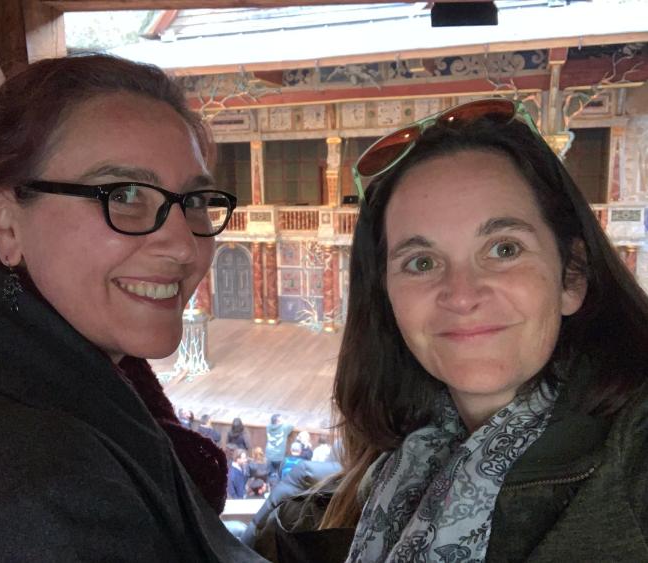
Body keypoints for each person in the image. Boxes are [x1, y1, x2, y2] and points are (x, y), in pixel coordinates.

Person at [0, 54, 265, 561]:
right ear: (4, 222)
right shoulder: (40, 490)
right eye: (125, 193)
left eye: (195, 200)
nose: (184, 246)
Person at [270, 98, 648, 562]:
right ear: (387, 300)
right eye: (422, 262)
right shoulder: (393, 468)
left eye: (504, 249)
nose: (462, 294)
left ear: (571, 276)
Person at [265, 413, 294, 480]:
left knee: (270, 474)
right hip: (279, 456)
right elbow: (291, 426)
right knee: (279, 474)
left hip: (269, 454)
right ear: (278, 422)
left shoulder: (268, 427)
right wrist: (283, 423)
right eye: (281, 419)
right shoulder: (284, 427)